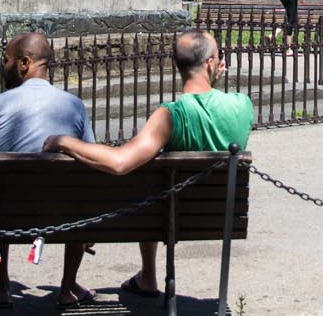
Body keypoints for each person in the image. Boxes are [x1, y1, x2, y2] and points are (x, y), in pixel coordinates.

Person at [47, 29, 253, 301]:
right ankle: (147, 277)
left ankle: (149, 274)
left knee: (152, 187)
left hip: (169, 216)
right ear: (211, 64)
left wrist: (64, 142)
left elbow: (120, 163)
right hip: (220, 215)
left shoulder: (172, 115)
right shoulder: (243, 105)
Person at [0, 32, 94, 309]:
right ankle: (67, 287)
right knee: (80, 197)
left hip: (7, 213)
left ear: (24, 63)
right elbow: (90, 162)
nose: (3, 66)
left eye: (7, 60)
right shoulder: (73, 106)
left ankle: (1, 285)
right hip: (63, 214)